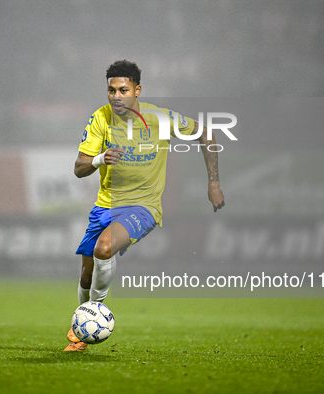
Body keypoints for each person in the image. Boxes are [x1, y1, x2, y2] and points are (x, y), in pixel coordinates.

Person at [65, 60, 225, 351]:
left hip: (144, 207)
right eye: (111, 90)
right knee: (87, 271)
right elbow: (79, 168)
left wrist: (213, 182)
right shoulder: (100, 119)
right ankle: (82, 326)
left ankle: (91, 318)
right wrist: (100, 159)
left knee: (104, 248)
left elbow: (206, 133)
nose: (116, 96)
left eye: (123, 90)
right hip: (105, 206)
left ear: (137, 90)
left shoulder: (159, 118)